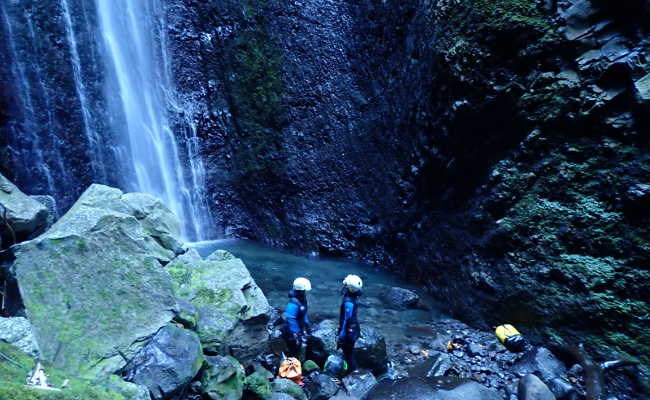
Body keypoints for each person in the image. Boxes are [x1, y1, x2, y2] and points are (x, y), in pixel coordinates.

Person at [337, 274, 362, 373]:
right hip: (354, 328)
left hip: (349, 331)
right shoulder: (354, 296)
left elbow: (347, 319)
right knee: (349, 352)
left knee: (348, 353)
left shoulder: (348, 302)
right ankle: (351, 369)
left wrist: (341, 335)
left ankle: (353, 372)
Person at [283, 277, 312, 359]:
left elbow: (303, 314)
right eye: (306, 290)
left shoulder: (302, 299)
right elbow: (290, 318)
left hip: (300, 326)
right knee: (294, 348)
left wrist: (307, 325)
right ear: (301, 290)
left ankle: (299, 361)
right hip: (292, 331)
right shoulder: (293, 302)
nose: (307, 292)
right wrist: (296, 333)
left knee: (301, 347)